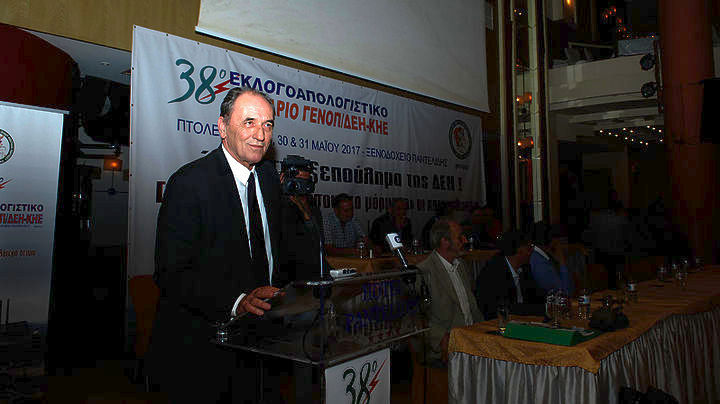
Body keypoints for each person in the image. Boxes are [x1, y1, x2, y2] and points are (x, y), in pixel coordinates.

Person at [148, 87, 282, 403]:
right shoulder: (190, 183)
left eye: (267, 124)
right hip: (203, 347)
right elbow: (171, 272)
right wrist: (237, 301)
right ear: (222, 127)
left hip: (262, 342)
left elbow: (275, 250)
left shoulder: (268, 179)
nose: (261, 134)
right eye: (249, 122)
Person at [416, 217, 482, 366]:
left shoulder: (461, 266)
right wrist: (440, 338)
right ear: (445, 242)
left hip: (471, 341)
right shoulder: (424, 271)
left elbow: (471, 308)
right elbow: (416, 318)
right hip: (445, 350)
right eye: (460, 237)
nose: (465, 241)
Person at [277, 155, 328, 282]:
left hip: (312, 274)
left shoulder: (311, 204)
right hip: (286, 277)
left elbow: (318, 242)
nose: (300, 186)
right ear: (283, 178)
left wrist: (305, 212)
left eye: (305, 182)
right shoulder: (275, 203)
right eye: (297, 181)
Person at [475, 231, 545, 320]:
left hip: (522, 320)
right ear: (519, 250)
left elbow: (536, 297)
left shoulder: (524, 268)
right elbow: (503, 308)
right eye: (529, 247)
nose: (532, 251)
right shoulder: (493, 272)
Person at [529, 222, 574, 295]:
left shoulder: (539, 256)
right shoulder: (540, 262)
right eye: (563, 242)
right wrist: (562, 262)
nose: (566, 247)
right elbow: (566, 292)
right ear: (554, 241)